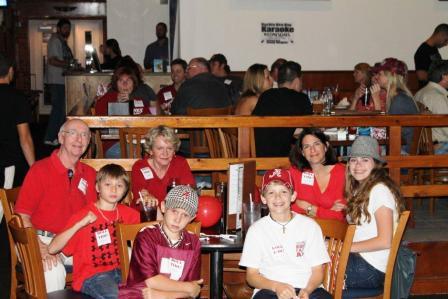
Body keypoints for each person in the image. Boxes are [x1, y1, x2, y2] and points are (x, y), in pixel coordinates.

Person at [15, 119, 97, 292]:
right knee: (52, 270)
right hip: (37, 238)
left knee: (118, 257)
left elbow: (94, 214)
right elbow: (22, 216)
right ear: (61, 138)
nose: (79, 139)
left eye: (84, 135)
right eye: (73, 133)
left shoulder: (89, 174)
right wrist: (41, 247)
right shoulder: (40, 170)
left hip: (73, 241)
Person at [48, 164, 139, 299]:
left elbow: (154, 236)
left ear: (125, 190)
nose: (113, 189)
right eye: (108, 184)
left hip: (123, 271)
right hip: (93, 275)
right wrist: (78, 225)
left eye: (119, 185)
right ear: (97, 187)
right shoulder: (83, 215)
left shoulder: (130, 214)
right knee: (114, 296)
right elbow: (52, 248)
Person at [239, 168, 331, 299]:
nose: (278, 197)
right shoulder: (256, 230)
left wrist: (307, 290)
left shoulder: (310, 226)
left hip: (309, 288)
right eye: (271, 192)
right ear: (263, 198)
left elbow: (317, 271)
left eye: (283, 191)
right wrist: (277, 287)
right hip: (270, 289)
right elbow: (251, 276)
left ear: (293, 196)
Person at [119, 185, 202, 299]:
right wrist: (188, 288)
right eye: (174, 211)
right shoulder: (146, 236)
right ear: (163, 207)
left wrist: (162, 296)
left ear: (192, 217)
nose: (178, 219)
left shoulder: (193, 242)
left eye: (185, 215)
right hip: (140, 294)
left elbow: (193, 287)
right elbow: (152, 281)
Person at [344, 136, 405, 291]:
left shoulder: (379, 191)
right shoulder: (362, 188)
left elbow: (385, 241)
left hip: (371, 268)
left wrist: (345, 247)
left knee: (309, 272)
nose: (357, 165)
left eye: (365, 159)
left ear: (376, 164)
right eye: (353, 160)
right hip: (361, 260)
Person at [252, 61, 312, 157]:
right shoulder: (301, 98)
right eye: (301, 81)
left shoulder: (266, 95)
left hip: (259, 156)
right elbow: (308, 130)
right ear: (297, 81)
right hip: (283, 160)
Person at [131, 126, 195, 211]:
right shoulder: (140, 166)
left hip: (173, 215)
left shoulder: (181, 163)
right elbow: (139, 193)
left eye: (169, 148)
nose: (165, 153)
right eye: (160, 148)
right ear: (150, 150)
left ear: (174, 150)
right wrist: (147, 197)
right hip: (145, 215)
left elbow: (189, 192)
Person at [289, 128, 347, 221]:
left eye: (317, 144)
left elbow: (339, 215)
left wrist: (309, 208)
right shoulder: (296, 172)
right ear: (302, 152)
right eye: (307, 146)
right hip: (302, 231)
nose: (312, 150)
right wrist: (327, 212)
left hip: (332, 232)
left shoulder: (341, 172)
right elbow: (290, 207)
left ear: (326, 146)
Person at [95, 66, 153, 158]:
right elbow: (98, 121)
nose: (125, 84)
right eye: (121, 81)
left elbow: (150, 119)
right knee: (134, 153)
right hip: (114, 144)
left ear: (133, 83)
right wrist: (116, 103)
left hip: (139, 143)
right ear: (116, 84)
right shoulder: (107, 98)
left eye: (128, 81)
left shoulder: (138, 100)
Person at [0, 53, 35, 189]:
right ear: (10, 71)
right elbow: (25, 138)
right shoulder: (17, 98)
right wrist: (34, 168)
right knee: (3, 206)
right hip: (7, 161)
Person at [372, 58, 419, 153]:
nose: (376, 77)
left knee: (362, 151)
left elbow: (380, 134)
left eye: (380, 74)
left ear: (390, 76)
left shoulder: (399, 100)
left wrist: (376, 101)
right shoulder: (396, 96)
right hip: (398, 146)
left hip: (402, 151)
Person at [44, 18, 74, 146]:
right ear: (59, 28)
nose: (67, 30)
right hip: (57, 80)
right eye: (65, 28)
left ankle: (55, 137)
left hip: (62, 80)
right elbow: (52, 60)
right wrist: (70, 64)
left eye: (68, 28)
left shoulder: (62, 42)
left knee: (61, 110)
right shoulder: (55, 40)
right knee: (58, 110)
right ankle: (49, 137)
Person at [415, 60, 448, 154]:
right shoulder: (437, 97)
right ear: (445, 77)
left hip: (425, 146)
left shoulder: (421, 92)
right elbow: (446, 128)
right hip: (439, 147)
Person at [414, 23, 448, 88]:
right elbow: (421, 77)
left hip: (436, 90)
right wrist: (441, 78)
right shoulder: (422, 51)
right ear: (440, 35)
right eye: (446, 40)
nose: (446, 44)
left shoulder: (434, 49)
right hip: (428, 92)